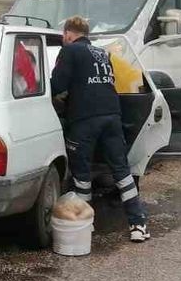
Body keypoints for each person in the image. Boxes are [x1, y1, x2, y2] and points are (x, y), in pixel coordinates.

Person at [50, 16, 149, 242]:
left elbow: (57, 85)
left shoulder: (70, 51)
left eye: (64, 35)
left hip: (84, 119)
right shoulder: (103, 54)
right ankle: (138, 224)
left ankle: (86, 225)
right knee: (122, 172)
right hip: (112, 117)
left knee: (82, 176)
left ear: (68, 34)